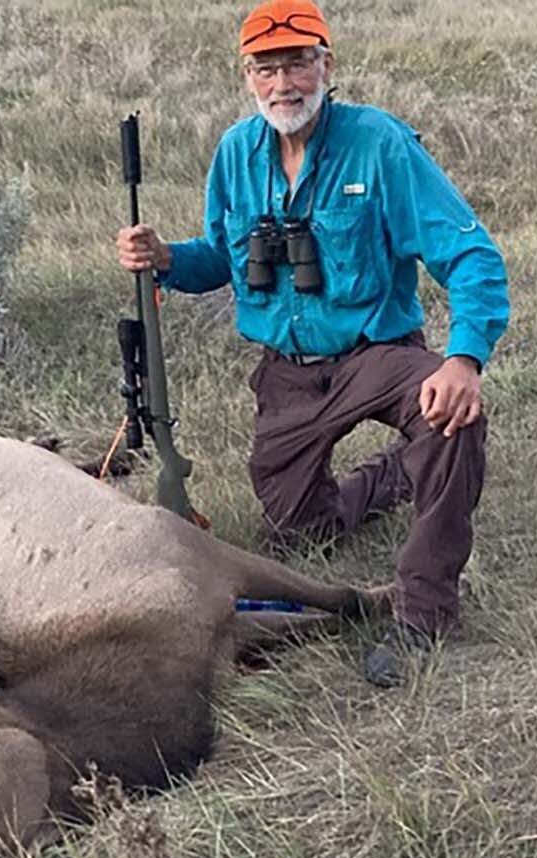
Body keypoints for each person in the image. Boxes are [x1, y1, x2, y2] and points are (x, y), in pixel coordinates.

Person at [114, 0, 510, 687]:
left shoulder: (380, 143)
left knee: (451, 419)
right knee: (300, 534)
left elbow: (472, 256)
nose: (284, 83)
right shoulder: (237, 152)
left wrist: (464, 358)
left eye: (298, 62)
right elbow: (221, 258)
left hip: (376, 352)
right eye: (267, 68)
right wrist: (168, 258)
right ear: (247, 78)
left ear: (327, 65)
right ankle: (393, 475)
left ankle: (426, 609)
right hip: (289, 373)